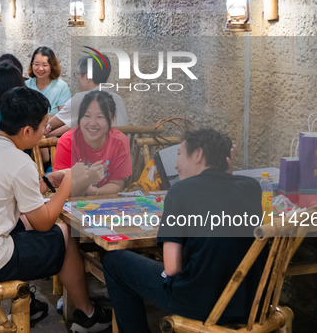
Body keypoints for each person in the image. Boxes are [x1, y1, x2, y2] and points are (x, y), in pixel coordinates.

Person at [0, 86, 112, 331]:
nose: (45, 131)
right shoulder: (20, 161)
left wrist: (52, 180)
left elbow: (13, 193)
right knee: (65, 232)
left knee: (26, 223)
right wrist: (68, 184)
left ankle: (28, 303)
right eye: (43, 127)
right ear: (27, 130)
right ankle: (87, 313)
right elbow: (44, 223)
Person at [102, 128, 264, 333]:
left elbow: (171, 269)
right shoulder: (251, 187)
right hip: (250, 303)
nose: (176, 165)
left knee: (114, 261)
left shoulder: (180, 191)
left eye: (179, 154)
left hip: (199, 303)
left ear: (197, 155)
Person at [54, 90, 132, 196]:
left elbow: (116, 184)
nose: (92, 123)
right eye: (87, 116)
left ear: (113, 119)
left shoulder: (120, 142)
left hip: (103, 201)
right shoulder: (68, 142)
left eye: (100, 117)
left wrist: (94, 192)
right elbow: (64, 190)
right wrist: (88, 179)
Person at [47, 55, 129, 137]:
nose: (77, 79)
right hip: (121, 148)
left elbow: (48, 126)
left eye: (77, 74)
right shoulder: (118, 99)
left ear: (86, 77)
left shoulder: (81, 98)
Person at [25, 46, 70, 116]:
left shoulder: (62, 87)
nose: (40, 68)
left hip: (53, 127)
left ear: (52, 66)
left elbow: (64, 118)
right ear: (32, 65)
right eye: (36, 64)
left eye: (45, 65)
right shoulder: (25, 85)